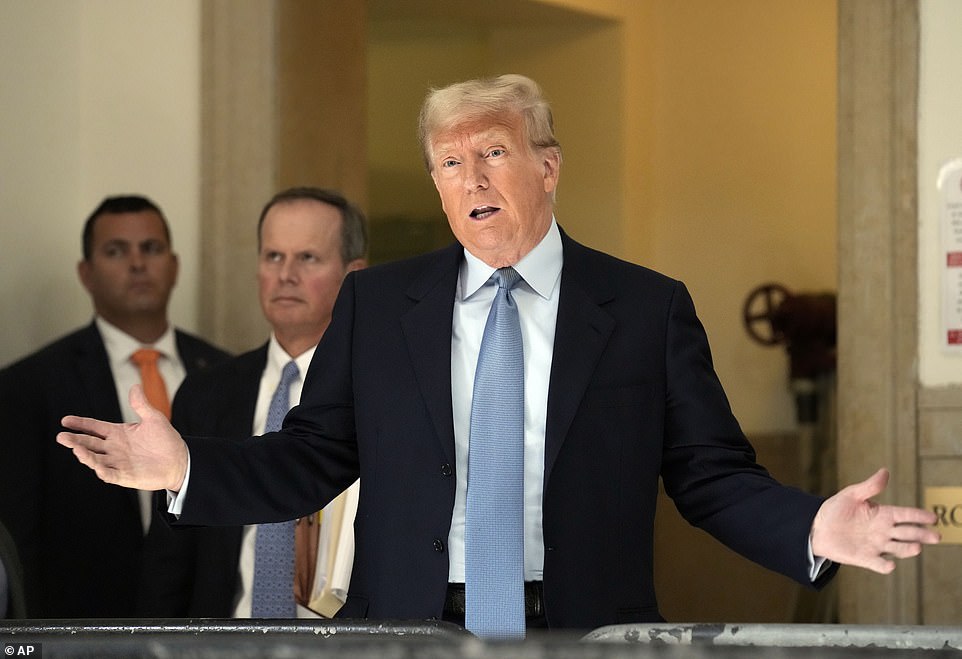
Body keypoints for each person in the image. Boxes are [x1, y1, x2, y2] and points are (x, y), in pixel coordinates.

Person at [57, 76, 940, 638]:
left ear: (547, 168)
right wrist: (187, 469)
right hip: (407, 630)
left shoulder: (643, 308)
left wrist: (813, 528)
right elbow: (312, 458)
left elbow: (710, 475)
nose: (471, 179)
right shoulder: (375, 303)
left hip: (584, 628)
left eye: (492, 153)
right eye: (448, 162)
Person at [137, 187, 367, 618]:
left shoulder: (380, 392)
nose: (286, 275)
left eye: (308, 258)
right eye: (273, 257)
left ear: (353, 274)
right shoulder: (207, 392)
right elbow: (170, 561)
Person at [0, 195, 230, 618]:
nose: (138, 263)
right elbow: (20, 539)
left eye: (152, 248)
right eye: (116, 251)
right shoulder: (29, 386)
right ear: (86, 273)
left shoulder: (225, 373)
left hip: (209, 620)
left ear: (175, 265)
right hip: (82, 622)